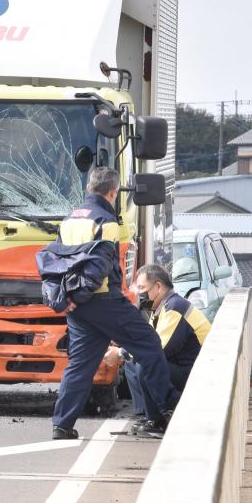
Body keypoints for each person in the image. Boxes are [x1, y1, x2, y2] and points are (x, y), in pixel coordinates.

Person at [47, 167, 174, 440]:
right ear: (113, 192)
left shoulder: (69, 220)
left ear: (89, 188)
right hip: (104, 301)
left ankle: (62, 425)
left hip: (78, 307)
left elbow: (58, 263)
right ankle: (164, 412)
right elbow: (101, 267)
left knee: (80, 365)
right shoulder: (106, 222)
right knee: (149, 345)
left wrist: (68, 300)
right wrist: (80, 297)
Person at [124, 264, 212, 420]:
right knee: (132, 363)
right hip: (184, 366)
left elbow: (159, 349)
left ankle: (164, 415)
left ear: (158, 286)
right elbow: (146, 342)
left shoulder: (174, 308)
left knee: (146, 366)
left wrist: (120, 353)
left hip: (198, 372)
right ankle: (148, 415)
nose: (139, 293)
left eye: (142, 287)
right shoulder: (161, 308)